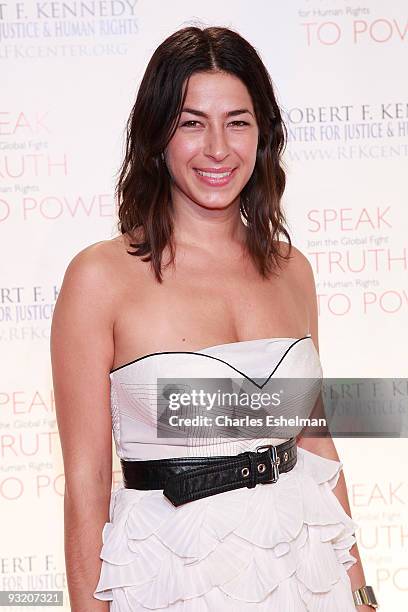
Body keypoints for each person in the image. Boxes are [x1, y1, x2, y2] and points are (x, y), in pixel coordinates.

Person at [50, 26, 379, 612]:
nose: (218, 149)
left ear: (263, 133)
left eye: (238, 121)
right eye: (192, 122)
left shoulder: (292, 269)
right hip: (168, 579)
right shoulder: (100, 278)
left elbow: (316, 444)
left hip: (305, 573)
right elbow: (88, 479)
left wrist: (361, 591)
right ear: (157, 134)